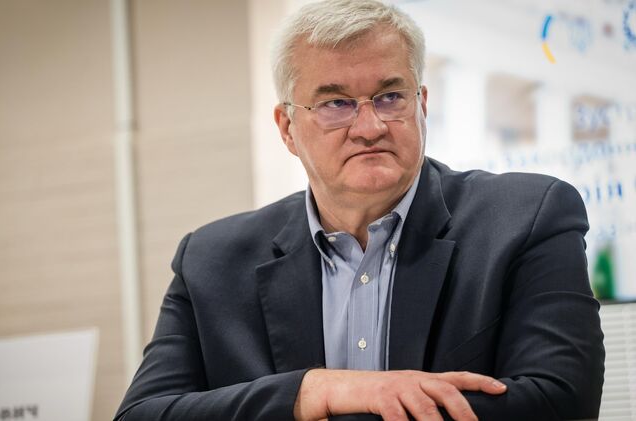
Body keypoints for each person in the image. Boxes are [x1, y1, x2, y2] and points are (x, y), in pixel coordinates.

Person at [114, 0, 605, 420]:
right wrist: (316, 390)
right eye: (335, 104)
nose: (370, 127)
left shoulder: (528, 217)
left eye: (390, 97)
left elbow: (561, 401)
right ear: (287, 128)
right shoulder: (210, 261)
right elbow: (142, 413)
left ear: (421, 105)